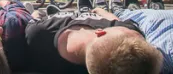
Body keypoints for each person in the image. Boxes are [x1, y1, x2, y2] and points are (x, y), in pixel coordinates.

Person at [25, 8, 162, 73]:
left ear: (100, 32)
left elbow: (33, 19)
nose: (133, 31)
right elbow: (116, 20)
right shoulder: (127, 31)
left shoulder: (38, 35)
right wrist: (100, 10)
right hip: (88, 17)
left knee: (34, 16)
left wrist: (37, 13)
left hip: (52, 21)